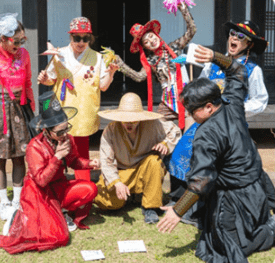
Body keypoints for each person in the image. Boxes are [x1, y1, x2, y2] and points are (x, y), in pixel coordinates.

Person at [157, 49, 275, 263]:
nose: (190, 115)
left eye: (192, 111)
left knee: (220, 246)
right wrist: (215, 57)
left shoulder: (206, 135)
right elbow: (237, 70)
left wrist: (177, 211)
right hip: (259, 189)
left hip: (235, 198)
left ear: (209, 106)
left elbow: (201, 181)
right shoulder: (232, 103)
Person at [165, 20, 271, 224]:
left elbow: (260, 100)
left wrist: (236, 109)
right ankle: (179, 201)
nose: (234, 38)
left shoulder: (252, 70)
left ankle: (204, 209)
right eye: (233, 33)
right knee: (182, 152)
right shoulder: (212, 64)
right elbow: (202, 85)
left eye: (241, 37)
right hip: (204, 119)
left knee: (216, 163)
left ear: (248, 44)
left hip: (231, 125)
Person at [0, 100, 99, 254]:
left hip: (59, 185)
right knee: (58, 237)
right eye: (59, 132)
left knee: (90, 188)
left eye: (66, 129)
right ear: (46, 130)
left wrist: (90, 163)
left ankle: (60, 211)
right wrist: (58, 156)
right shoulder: (34, 146)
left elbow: (74, 161)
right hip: (38, 191)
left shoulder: (67, 139)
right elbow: (41, 180)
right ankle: (17, 217)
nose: (64, 134)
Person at [37, 16, 119, 181]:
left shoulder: (97, 57)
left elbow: (103, 86)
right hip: (62, 110)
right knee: (58, 151)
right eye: (77, 38)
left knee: (81, 153)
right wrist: (44, 79)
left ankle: (83, 189)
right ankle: (57, 187)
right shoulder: (59, 54)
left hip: (85, 112)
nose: (81, 42)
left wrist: (111, 73)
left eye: (85, 38)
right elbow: (51, 79)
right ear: (70, 37)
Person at [0, 13, 35, 221]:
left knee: (20, 156)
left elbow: (28, 82)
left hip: (19, 109)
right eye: (16, 41)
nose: (19, 45)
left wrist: (30, 104)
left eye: (23, 40)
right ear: (2, 38)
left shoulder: (24, 56)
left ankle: (17, 201)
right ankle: (4, 202)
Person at [94, 92, 181, 224]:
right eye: (125, 119)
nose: (129, 124)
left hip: (144, 169)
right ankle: (132, 197)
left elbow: (174, 131)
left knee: (154, 161)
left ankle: (150, 207)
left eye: (133, 120)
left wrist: (165, 144)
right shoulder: (110, 130)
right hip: (121, 172)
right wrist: (117, 182)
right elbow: (107, 161)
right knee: (105, 202)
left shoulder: (153, 124)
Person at [115, 3, 196, 130]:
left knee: (190, 128)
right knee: (156, 127)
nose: (151, 41)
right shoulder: (151, 61)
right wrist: (120, 65)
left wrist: (183, 8)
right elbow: (139, 77)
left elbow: (192, 30)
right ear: (145, 48)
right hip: (167, 101)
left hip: (186, 96)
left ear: (156, 34)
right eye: (146, 42)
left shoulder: (174, 47)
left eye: (151, 36)